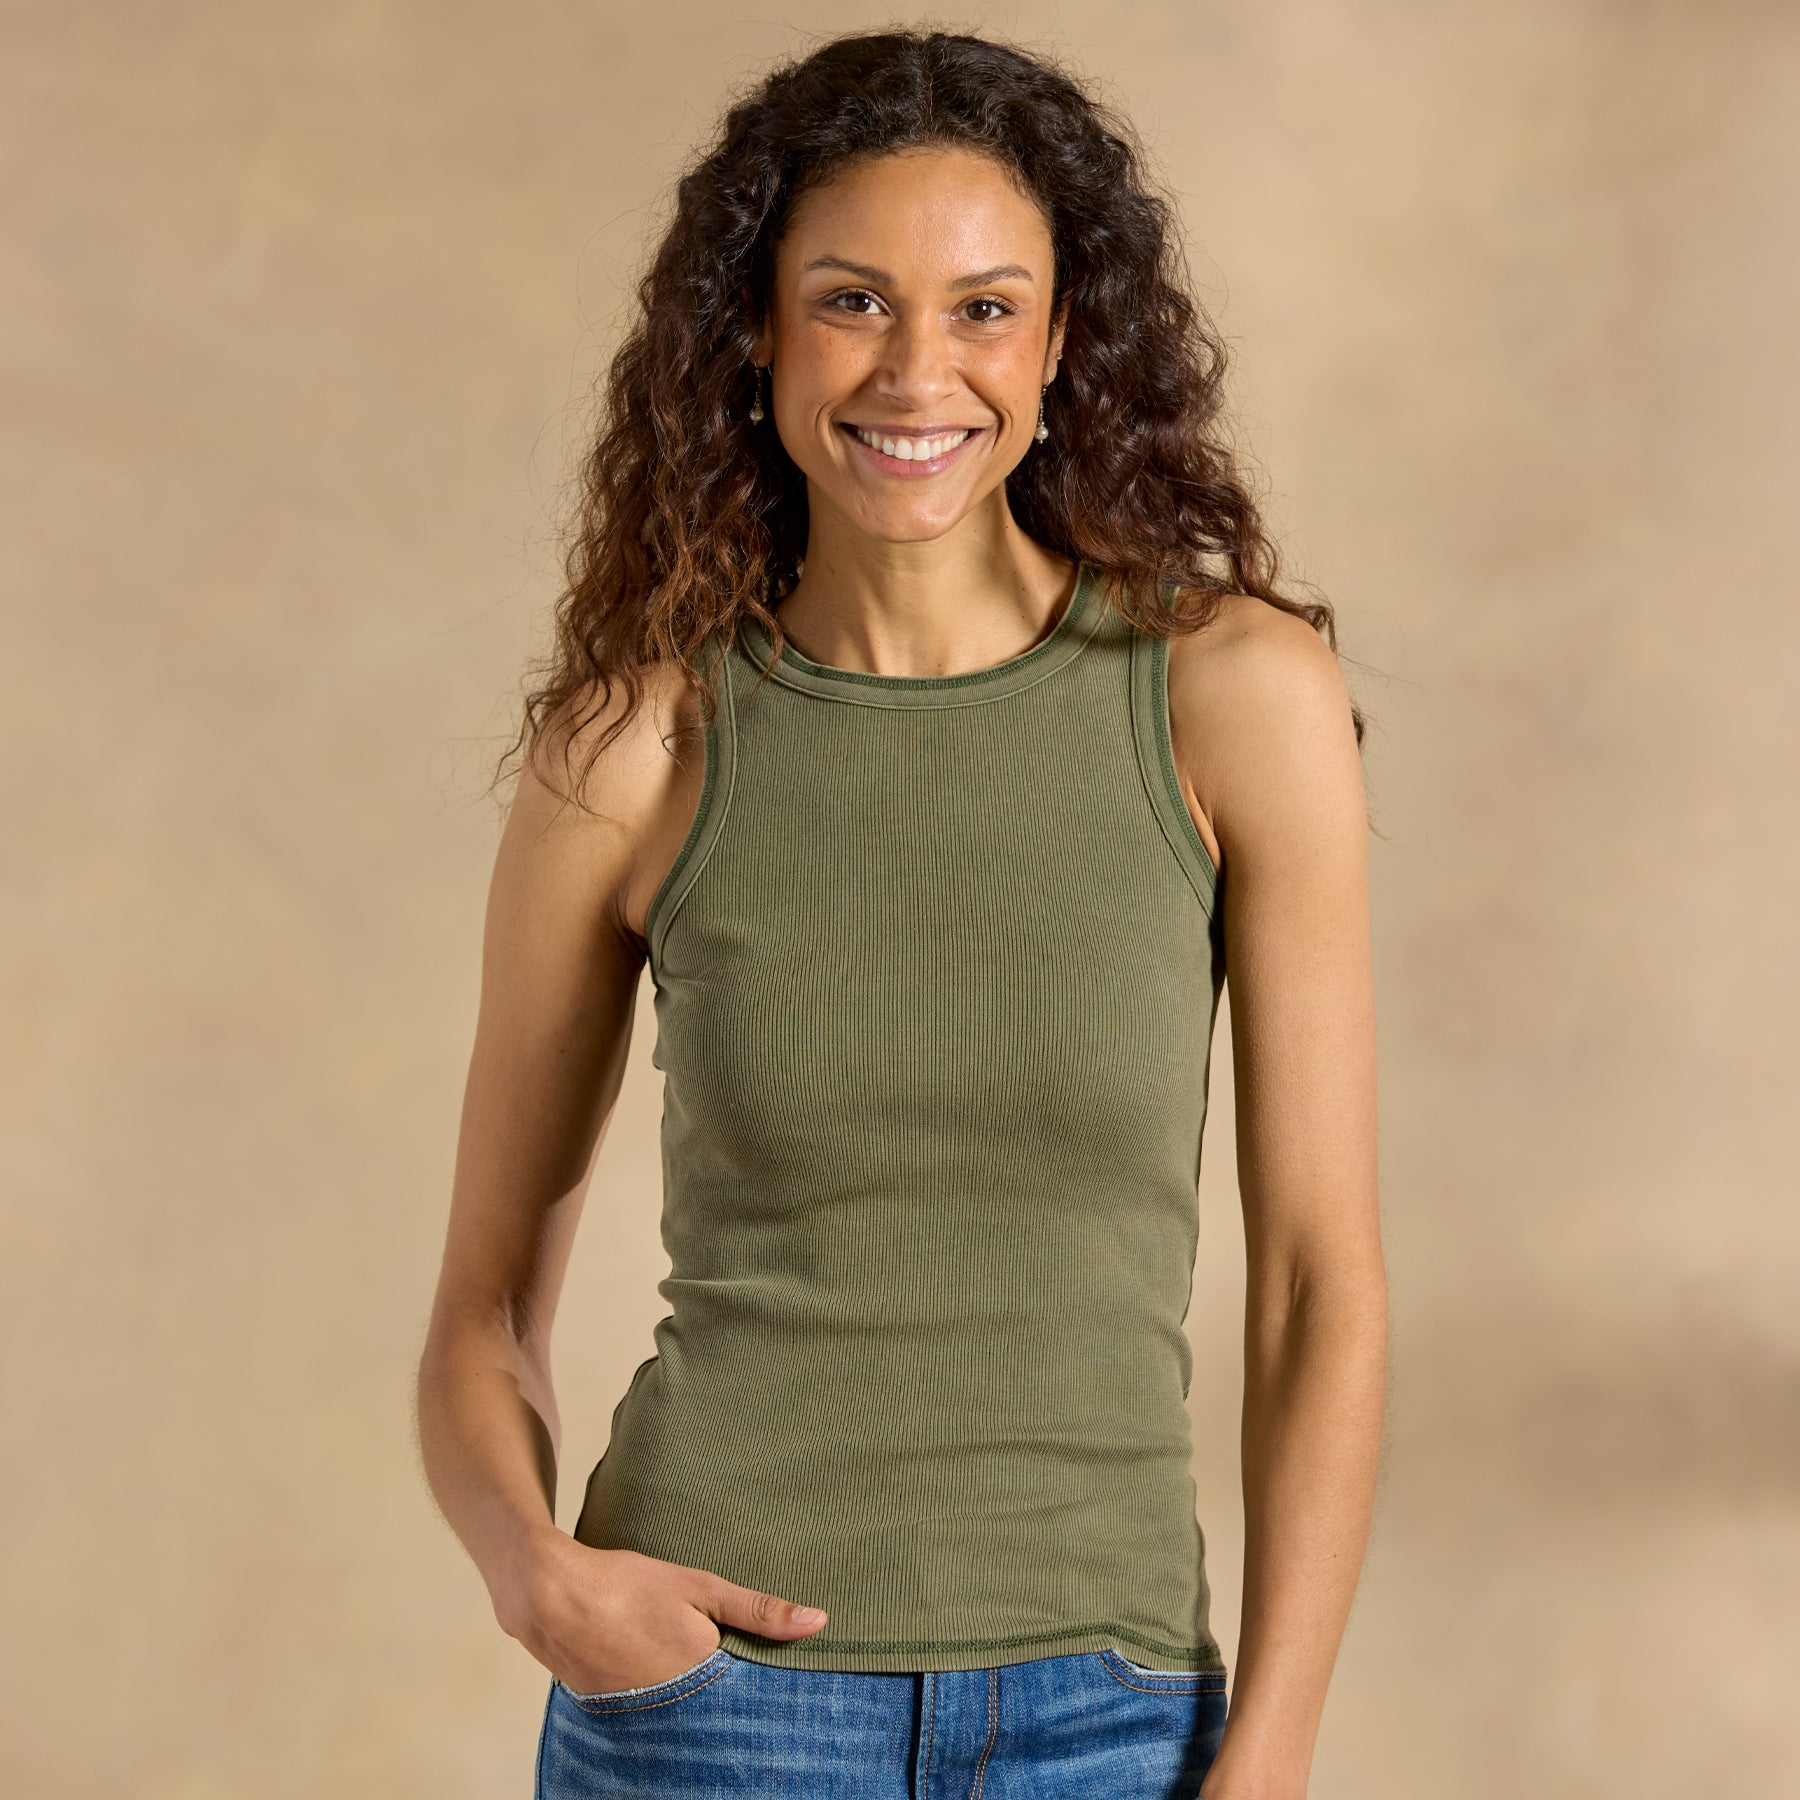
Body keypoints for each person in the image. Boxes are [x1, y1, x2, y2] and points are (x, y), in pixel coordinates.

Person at [415, 27, 1386, 1800]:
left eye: (984, 309)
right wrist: (539, 1577)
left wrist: (1274, 1749)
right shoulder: (636, 749)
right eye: (852, 301)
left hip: (1108, 1715)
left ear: (1064, 339)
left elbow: (1319, 1285)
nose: (917, 370)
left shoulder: (1232, 699)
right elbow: (481, 1311)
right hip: (712, 1717)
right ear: (758, 330)